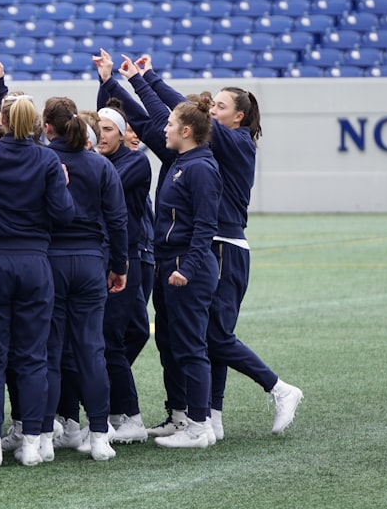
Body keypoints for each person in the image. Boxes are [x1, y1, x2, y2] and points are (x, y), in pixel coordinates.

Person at [114, 54, 303, 440]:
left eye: (220, 106)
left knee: (214, 336)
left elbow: (183, 111)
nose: (211, 110)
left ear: (238, 117)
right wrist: (125, 83)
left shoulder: (236, 141)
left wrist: (147, 77)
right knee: (202, 336)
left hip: (223, 247)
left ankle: (279, 388)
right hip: (207, 245)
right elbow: (161, 120)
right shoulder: (206, 147)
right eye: (212, 104)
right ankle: (208, 416)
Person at [0, 89, 74, 467]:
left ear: (1, 119)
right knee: (33, 356)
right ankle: (32, 439)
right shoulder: (48, 159)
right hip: (34, 263)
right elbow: (64, 214)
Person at [41, 96, 128, 462]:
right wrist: (119, 266)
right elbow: (118, 220)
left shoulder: (43, 160)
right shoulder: (100, 165)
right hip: (91, 262)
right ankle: (98, 435)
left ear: (48, 127)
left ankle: (41, 434)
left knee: (48, 352)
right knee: (91, 350)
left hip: (51, 262)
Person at [147, 98, 222, 449]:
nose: (165, 128)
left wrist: (187, 269)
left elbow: (205, 226)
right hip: (168, 265)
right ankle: (180, 417)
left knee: (192, 347)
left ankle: (200, 425)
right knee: (171, 345)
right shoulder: (182, 162)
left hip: (184, 268)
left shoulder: (201, 168)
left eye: (171, 124)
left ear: (186, 131)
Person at [95, 100, 154, 443]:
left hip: (128, 259)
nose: (101, 136)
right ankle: (115, 410)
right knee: (122, 335)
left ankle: (130, 416)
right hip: (113, 258)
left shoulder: (134, 161)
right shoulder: (100, 161)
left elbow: (104, 189)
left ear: (122, 134)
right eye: (97, 129)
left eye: (108, 130)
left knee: (112, 339)